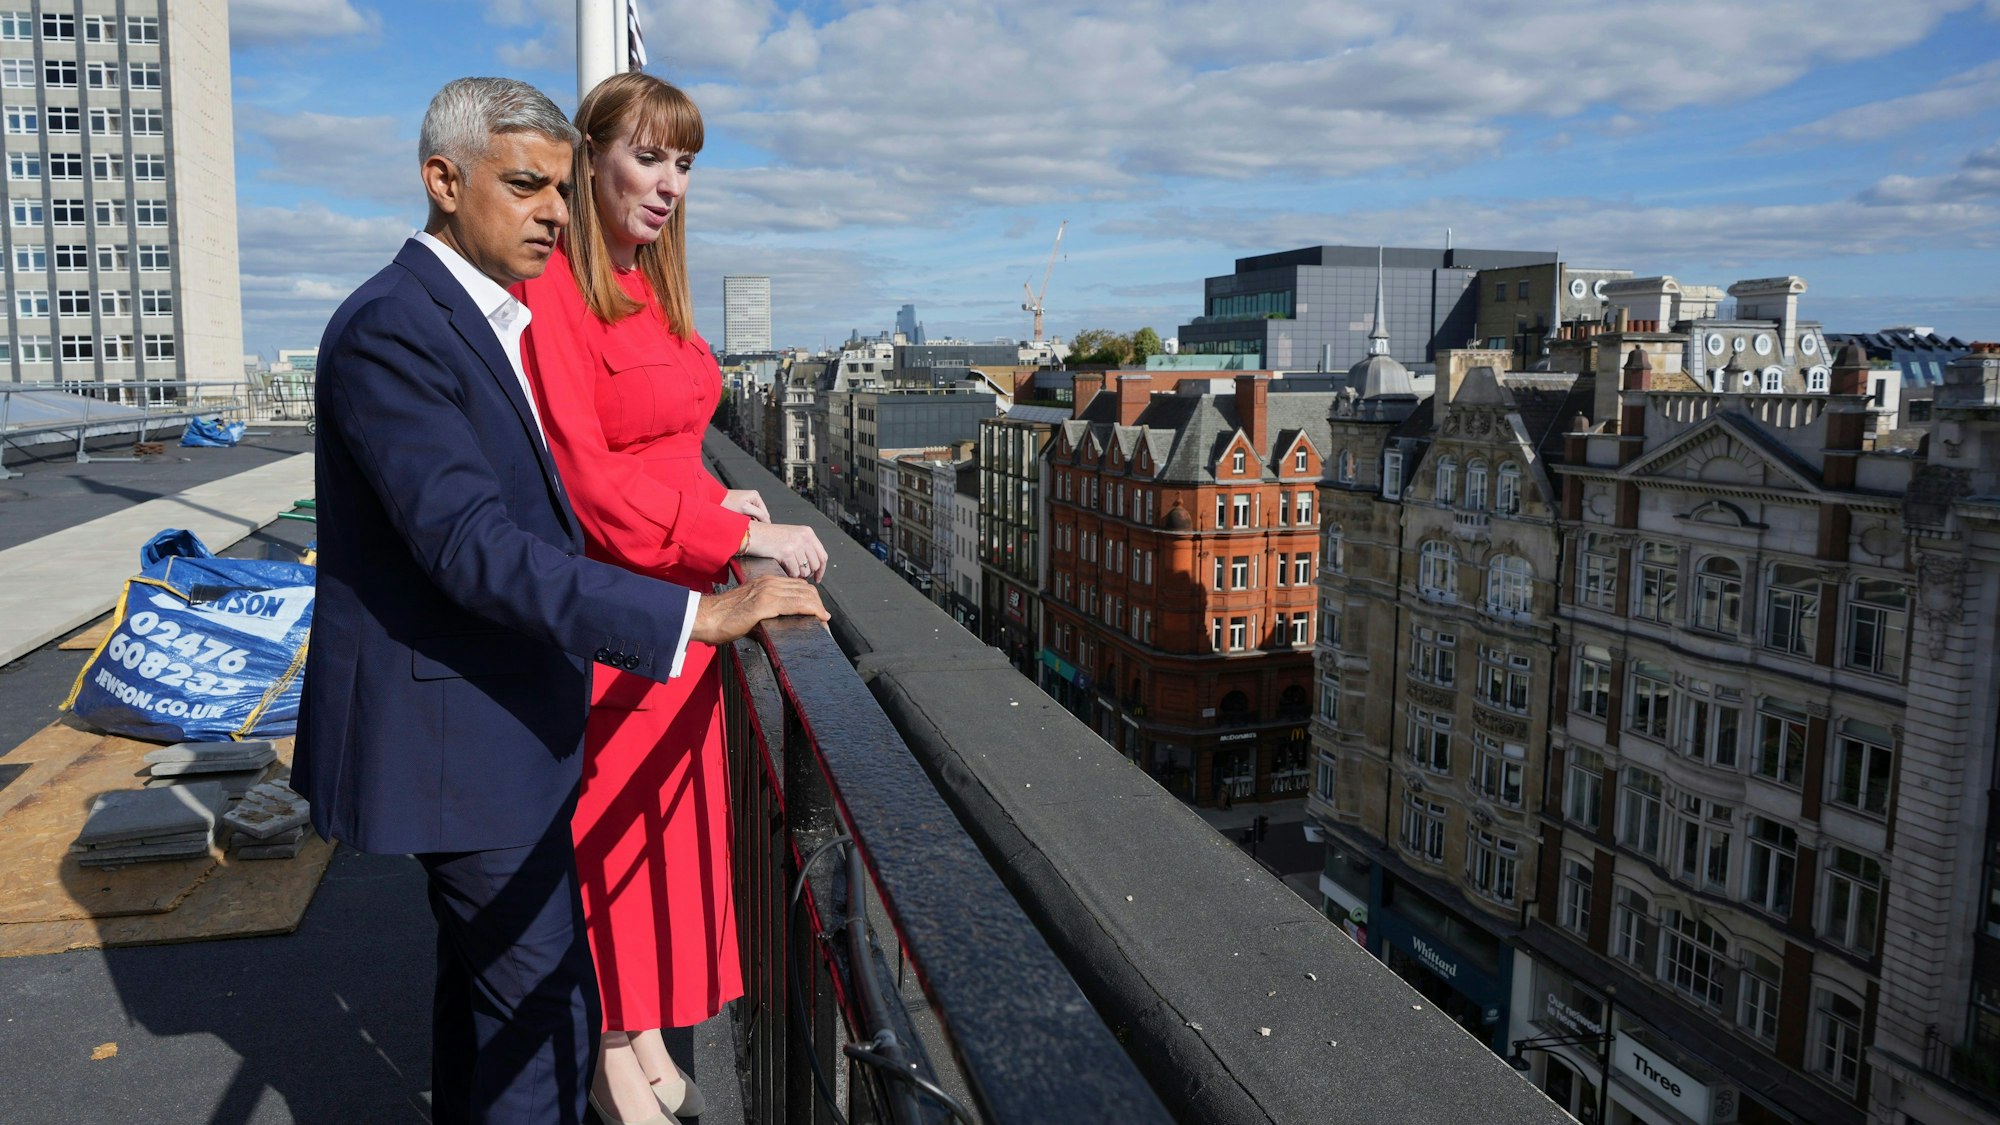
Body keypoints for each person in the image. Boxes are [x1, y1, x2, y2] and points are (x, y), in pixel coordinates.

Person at [294, 76, 827, 1125]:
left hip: (500, 713)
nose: (552, 210)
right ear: (443, 183)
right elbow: (471, 540)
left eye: (555, 188)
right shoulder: (393, 328)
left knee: (494, 1006)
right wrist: (698, 611)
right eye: (528, 186)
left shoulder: (469, 314)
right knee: (542, 1027)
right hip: (466, 729)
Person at [514, 72, 828, 1124]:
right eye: (647, 158)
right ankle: (609, 1044)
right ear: (588, 156)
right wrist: (741, 532)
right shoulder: (555, 289)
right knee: (610, 830)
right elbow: (587, 483)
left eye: (683, 165)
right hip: (623, 616)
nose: (667, 185)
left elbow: (664, 446)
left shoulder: (651, 285)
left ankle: (642, 1024)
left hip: (684, 604)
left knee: (663, 835)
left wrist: (715, 496)